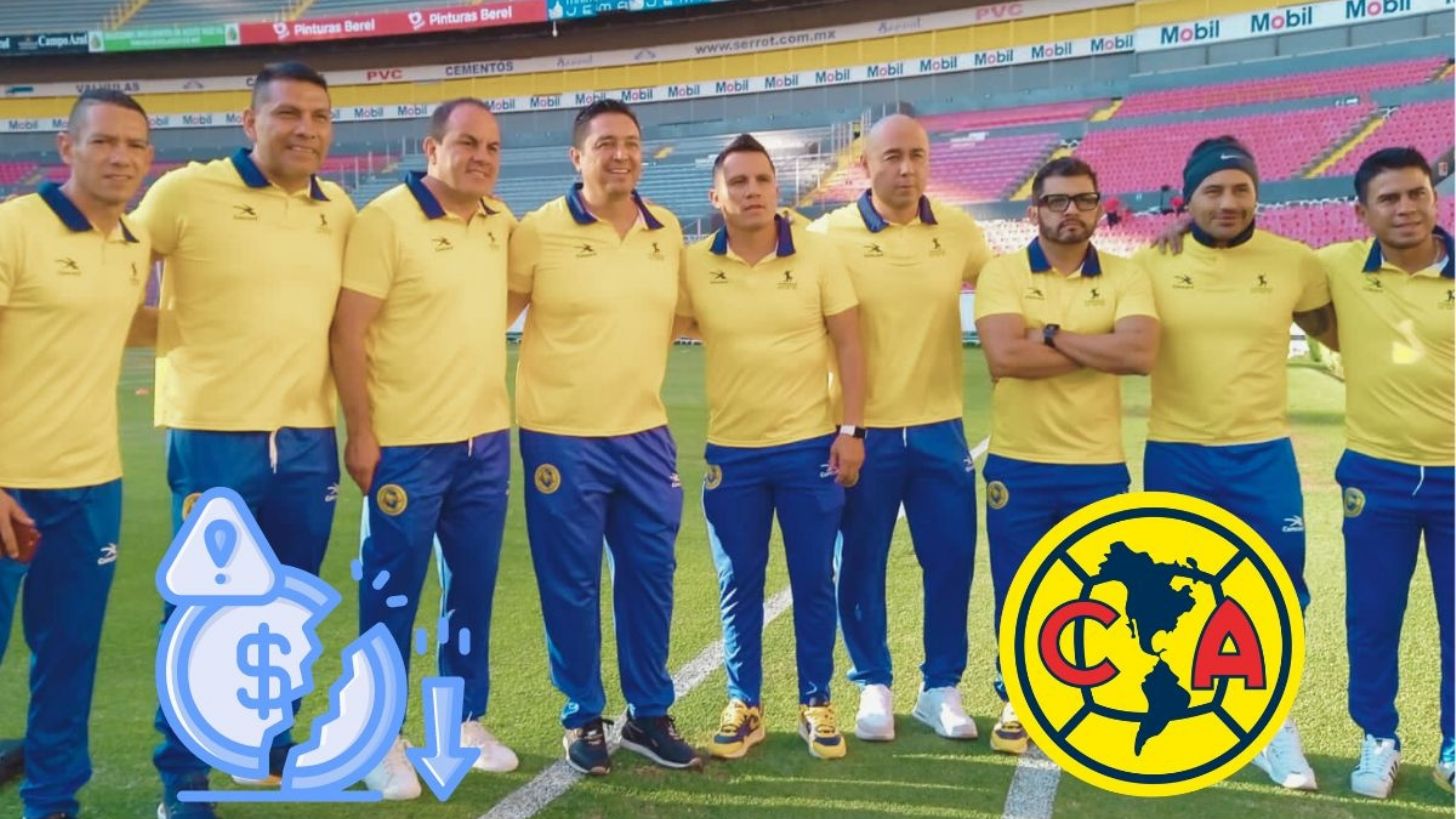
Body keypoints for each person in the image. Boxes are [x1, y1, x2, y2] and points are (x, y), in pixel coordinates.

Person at [131, 61, 357, 818]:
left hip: (308, 436)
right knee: (201, 611)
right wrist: (176, 331)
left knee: (287, 603)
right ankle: (182, 779)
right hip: (212, 435)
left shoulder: (338, 208)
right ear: (249, 121)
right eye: (287, 113)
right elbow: (109, 277)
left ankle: (267, 739)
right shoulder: (184, 193)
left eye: (319, 116)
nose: (305, 129)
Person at [1133, 135, 1338, 792]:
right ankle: (1184, 711)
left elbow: (1346, 326)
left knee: (1277, 592)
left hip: (1262, 455)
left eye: (1241, 189)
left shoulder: (1294, 262)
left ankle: (1271, 723)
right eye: (1213, 190)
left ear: (1257, 193)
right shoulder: (1151, 263)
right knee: (1176, 596)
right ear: (1186, 197)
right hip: (1177, 453)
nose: (1228, 201)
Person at [330, 98, 519, 800]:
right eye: (467, 143)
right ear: (432, 148)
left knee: (470, 590)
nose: (481, 157)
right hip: (405, 447)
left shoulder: (500, 221)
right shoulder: (385, 220)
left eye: (492, 147)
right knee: (391, 593)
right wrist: (361, 430)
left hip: (484, 442)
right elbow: (348, 333)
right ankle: (376, 735)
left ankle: (461, 721)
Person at [506, 100, 700, 776]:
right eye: (605, 144)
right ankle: (582, 713)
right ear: (577, 157)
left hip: (645, 434)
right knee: (573, 582)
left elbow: (688, 318)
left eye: (631, 143)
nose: (621, 155)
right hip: (561, 438)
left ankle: (649, 713)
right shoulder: (538, 231)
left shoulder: (665, 229)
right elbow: (486, 315)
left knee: (651, 576)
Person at [678, 134, 866, 761]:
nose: (752, 191)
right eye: (738, 182)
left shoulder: (818, 253)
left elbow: (850, 343)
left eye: (762, 179)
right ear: (717, 196)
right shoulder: (693, 264)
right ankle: (745, 704)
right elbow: (666, 321)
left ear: (777, 189)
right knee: (739, 583)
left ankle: (816, 701)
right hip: (731, 453)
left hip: (809, 448)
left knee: (814, 578)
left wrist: (852, 430)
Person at [809, 114, 991, 742]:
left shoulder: (960, 231)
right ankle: (873, 683)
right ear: (865, 165)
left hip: (941, 427)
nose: (906, 168)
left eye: (917, 155)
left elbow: (1013, 284)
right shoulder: (828, 234)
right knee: (861, 561)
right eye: (892, 156)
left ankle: (941, 687)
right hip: (863, 432)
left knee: (951, 560)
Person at [0, 88, 154, 819]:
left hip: (92, 486)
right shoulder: (13, 228)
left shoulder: (133, 245)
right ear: (67, 148)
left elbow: (121, 327)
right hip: (8, 484)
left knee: (68, 654)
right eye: (103, 141)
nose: (120, 157)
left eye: (135, 145)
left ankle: (53, 800)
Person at [974, 157, 1158, 754]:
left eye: (1083, 199)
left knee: (1101, 591)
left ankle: (1090, 693)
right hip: (1019, 462)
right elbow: (1006, 358)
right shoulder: (1002, 273)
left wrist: (1050, 335)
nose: (1071, 210)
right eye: (1057, 201)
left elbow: (1139, 356)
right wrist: (1098, 346)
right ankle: (1019, 694)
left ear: (1099, 207)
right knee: (1021, 588)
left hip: (1098, 464)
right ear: (1036, 210)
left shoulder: (1127, 275)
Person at [1317, 147, 1452, 799]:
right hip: (1377, 474)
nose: (1405, 208)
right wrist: (1177, 227)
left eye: (1416, 194)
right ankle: (1378, 737)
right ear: (1362, 213)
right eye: (1389, 198)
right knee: (1373, 616)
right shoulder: (1338, 265)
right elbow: (1258, 263)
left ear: (1435, 198)